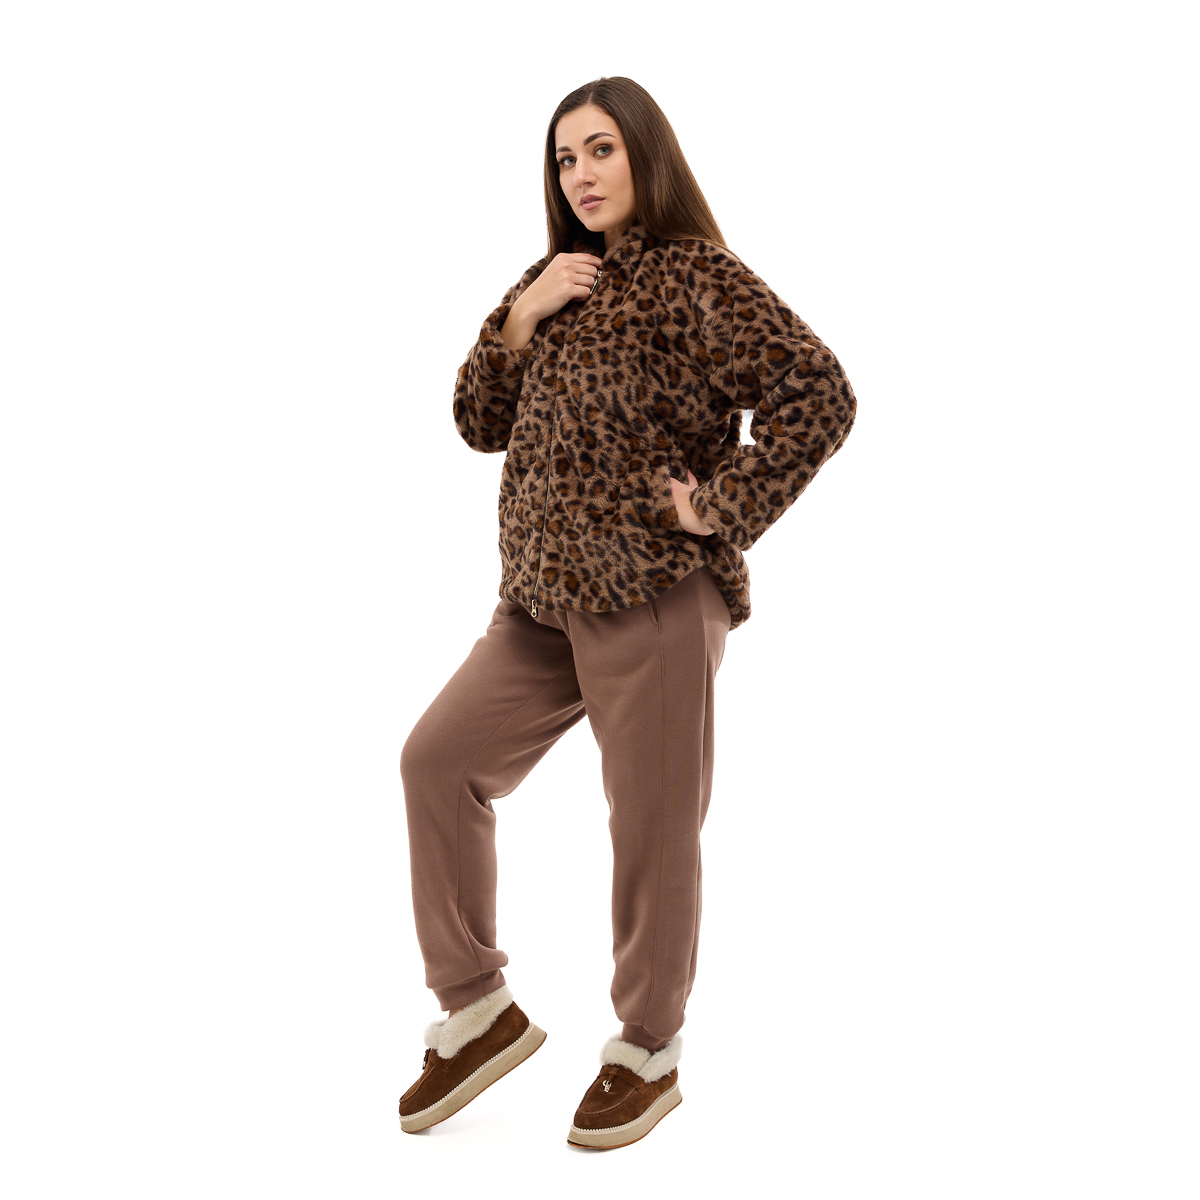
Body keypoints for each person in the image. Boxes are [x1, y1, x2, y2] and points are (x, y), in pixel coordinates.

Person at [398, 76, 857, 1149]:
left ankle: (647, 1049)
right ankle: (477, 1008)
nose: (581, 175)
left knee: (650, 828)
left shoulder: (697, 276)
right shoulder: (553, 280)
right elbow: (476, 422)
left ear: (647, 153)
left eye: (601, 149)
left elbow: (820, 392)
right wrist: (520, 318)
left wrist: (720, 508)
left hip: (652, 595)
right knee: (435, 763)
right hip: (539, 602)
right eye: (565, 159)